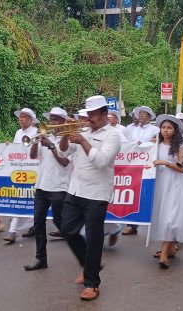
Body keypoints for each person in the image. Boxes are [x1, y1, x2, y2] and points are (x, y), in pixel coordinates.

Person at [57, 95, 121, 301]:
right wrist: (66, 135)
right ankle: (89, 264)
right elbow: (63, 152)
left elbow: (101, 161)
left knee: (94, 239)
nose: (89, 118)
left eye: (93, 115)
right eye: (87, 114)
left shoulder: (113, 135)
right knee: (66, 229)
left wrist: (83, 141)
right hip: (75, 189)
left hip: (97, 193)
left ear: (103, 114)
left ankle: (92, 283)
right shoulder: (82, 130)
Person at [23, 107, 73, 271]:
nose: (51, 122)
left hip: (59, 187)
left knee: (62, 225)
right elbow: (32, 156)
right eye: (51, 119)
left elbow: (65, 162)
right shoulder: (46, 136)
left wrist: (52, 146)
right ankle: (40, 259)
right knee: (38, 223)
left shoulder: (69, 138)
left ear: (64, 122)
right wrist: (36, 141)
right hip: (41, 187)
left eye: (56, 119)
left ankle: (83, 251)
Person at [150, 114, 183, 269]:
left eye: (169, 128)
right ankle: (170, 248)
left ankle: (164, 255)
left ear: (175, 130)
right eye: (163, 127)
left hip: (175, 185)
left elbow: (182, 168)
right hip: (159, 184)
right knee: (162, 216)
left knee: (170, 219)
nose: (165, 130)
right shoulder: (154, 143)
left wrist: (165, 163)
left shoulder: (181, 146)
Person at [4, 108, 39, 243]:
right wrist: (8, 146)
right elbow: (16, 149)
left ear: (31, 120)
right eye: (20, 117)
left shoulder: (36, 132)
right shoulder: (18, 133)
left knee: (31, 199)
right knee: (20, 198)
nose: (21, 119)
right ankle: (13, 231)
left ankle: (30, 226)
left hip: (33, 170)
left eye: (24, 117)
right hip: (20, 170)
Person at [123, 106, 158, 235]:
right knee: (132, 193)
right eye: (140, 114)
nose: (141, 116)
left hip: (147, 165)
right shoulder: (131, 130)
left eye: (144, 114)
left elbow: (158, 142)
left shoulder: (155, 129)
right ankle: (131, 225)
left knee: (145, 193)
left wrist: (146, 143)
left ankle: (147, 220)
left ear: (149, 116)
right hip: (133, 164)